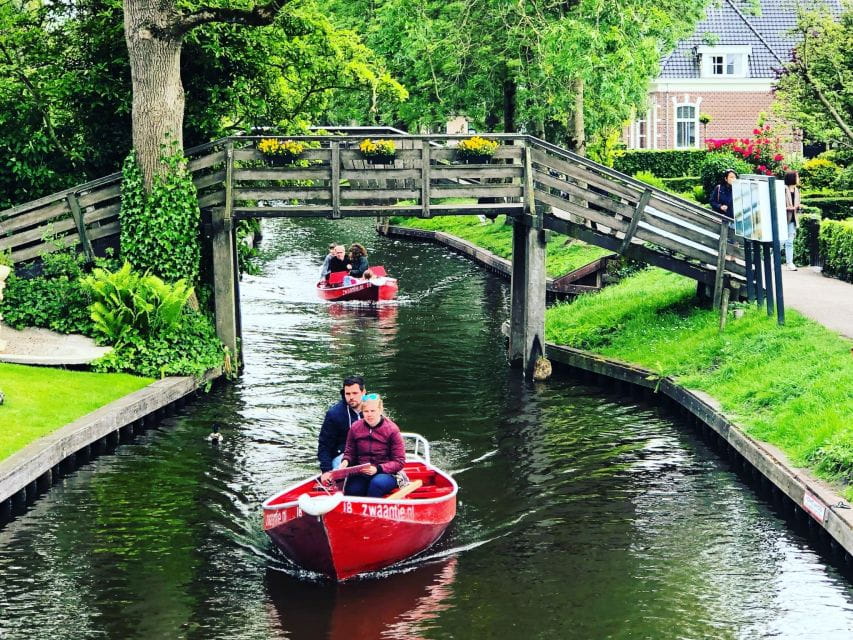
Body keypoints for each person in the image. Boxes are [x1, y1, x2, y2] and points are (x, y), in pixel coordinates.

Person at [324, 393, 405, 497]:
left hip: (386, 472)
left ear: (380, 410)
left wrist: (378, 469)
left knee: (376, 484)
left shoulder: (392, 430)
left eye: (373, 411)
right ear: (362, 411)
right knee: (353, 489)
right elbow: (350, 452)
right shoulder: (355, 427)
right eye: (366, 411)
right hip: (362, 471)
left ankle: (372, 510)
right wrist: (346, 461)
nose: (369, 414)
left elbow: (399, 462)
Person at [317, 376, 365, 473]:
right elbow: (324, 445)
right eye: (348, 394)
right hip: (342, 455)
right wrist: (326, 471)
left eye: (355, 393)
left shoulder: (372, 409)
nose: (351, 397)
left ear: (363, 392)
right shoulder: (334, 414)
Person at [784, 171, 801, 271]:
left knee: (790, 241)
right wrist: (787, 208)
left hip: (793, 219)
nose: (798, 179)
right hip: (783, 219)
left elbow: (797, 203)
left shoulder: (797, 190)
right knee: (780, 242)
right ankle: (772, 261)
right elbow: (778, 204)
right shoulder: (783, 189)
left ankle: (790, 263)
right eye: (797, 177)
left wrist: (798, 207)